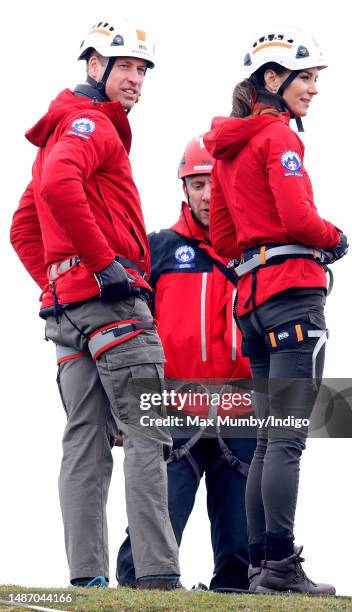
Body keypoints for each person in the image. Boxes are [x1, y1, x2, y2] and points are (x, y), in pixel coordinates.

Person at [10, 17, 181, 590]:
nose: (136, 79)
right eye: (126, 66)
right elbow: (59, 190)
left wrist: (59, 285)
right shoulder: (90, 125)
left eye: (142, 68)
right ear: (93, 66)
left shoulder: (61, 130)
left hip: (69, 316)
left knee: (83, 440)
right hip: (113, 307)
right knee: (148, 432)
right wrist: (103, 266)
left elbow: (23, 229)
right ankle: (158, 579)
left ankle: (87, 580)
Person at [203, 25, 348, 595]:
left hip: (252, 302)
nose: (313, 88)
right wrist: (333, 236)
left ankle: (264, 567)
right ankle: (281, 568)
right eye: (306, 77)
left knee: (267, 438)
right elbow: (297, 217)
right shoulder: (279, 139)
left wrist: (257, 251)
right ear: (273, 78)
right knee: (285, 438)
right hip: (292, 295)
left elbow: (219, 234)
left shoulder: (229, 145)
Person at [116, 136, 257, 591]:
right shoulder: (157, 249)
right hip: (172, 406)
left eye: (215, 183)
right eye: (198, 184)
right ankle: (133, 593)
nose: (208, 195)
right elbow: (125, 329)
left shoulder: (256, 253)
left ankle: (234, 596)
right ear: (185, 189)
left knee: (240, 539)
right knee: (156, 526)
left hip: (241, 409)